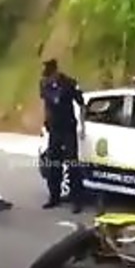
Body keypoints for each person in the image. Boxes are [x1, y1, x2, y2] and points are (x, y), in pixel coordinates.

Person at [39, 58, 86, 213]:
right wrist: (46, 121)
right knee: (53, 165)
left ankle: (77, 199)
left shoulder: (69, 83)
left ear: (56, 72)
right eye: (46, 76)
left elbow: (81, 104)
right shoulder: (43, 84)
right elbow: (46, 104)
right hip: (54, 130)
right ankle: (54, 197)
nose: (48, 78)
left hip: (68, 129)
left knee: (72, 165)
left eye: (50, 75)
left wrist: (82, 126)